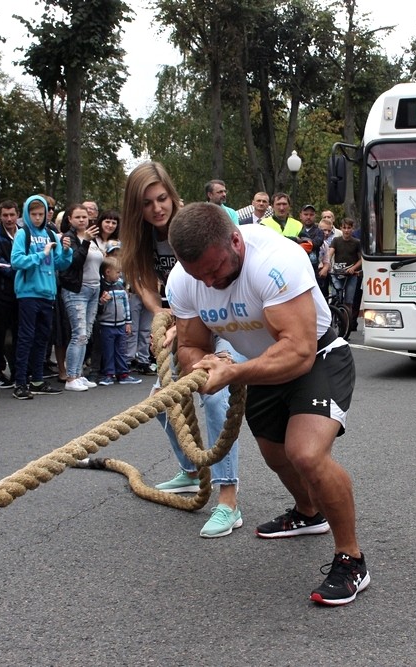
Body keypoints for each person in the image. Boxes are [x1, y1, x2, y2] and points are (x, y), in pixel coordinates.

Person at [166, 202, 368, 604]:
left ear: (235, 241)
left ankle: (352, 559)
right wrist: (204, 365)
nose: (210, 282)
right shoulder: (185, 280)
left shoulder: (277, 260)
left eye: (215, 269)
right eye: (199, 275)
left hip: (317, 357)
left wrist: (233, 372)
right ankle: (308, 513)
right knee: (275, 455)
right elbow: (190, 344)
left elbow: (299, 351)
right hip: (258, 366)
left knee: (306, 454)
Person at [119, 161, 243, 538]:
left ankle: (228, 499)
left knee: (215, 397)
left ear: (172, 196)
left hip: (220, 317)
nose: (157, 208)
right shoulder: (141, 237)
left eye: (162, 198)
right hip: (181, 318)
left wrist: (184, 322)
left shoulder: (192, 224)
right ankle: (190, 472)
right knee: (160, 403)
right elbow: (142, 279)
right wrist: (163, 315)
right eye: (147, 203)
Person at [10, 195, 73, 399]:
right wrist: (41, 254)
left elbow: (60, 263)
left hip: (48, 293)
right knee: (26, 337)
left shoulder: (50, 233)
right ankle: (20, 382)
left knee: (42, 339)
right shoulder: (23, 233)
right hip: (28, 293)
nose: (37, 218)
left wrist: (66, 252)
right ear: (27, 214)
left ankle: (37, 380)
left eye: (41, 214)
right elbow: (16, 261)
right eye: (33, 214)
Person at [59, 203, 104, 392]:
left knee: (86, 334)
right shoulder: (68, 238)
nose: (82, 220)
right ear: (70, 219)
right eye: (77, 217)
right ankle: (71, 377)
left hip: (94, 288)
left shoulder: (92, 238)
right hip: (77, 290)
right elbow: (74, 262)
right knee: (78, 333)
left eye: (84, 217)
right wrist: (85, 241)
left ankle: (78, 374)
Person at [0, 200, 21, 388]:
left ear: (17, 215)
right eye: (5, 215)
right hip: (1, 292)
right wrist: (18, 269)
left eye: (12, 215)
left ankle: (18, 370)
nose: (9, 219)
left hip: (21, 292)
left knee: (18, 334)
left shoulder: (23, 233)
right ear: (0, 216)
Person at [96, 257, 133, 385]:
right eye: (117, 272)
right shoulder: (101, 287)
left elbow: (126, 305)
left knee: (121, 350)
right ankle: (108, 374)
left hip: (121, 324)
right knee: (108, 351)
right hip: (107, 325)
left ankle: (123, 373)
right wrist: (102, 301)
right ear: (107, 272)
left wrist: (128, 322)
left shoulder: (120, 286)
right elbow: (98, 308)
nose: (119, 275)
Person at [328, 218, 363, 322]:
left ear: (352, 229)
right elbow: (330, 253)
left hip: (351, 275)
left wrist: (353, 268)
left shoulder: (356, 242)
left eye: (349, 228)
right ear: (341, 228)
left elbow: (361, 259)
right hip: (337, 274)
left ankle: (347, 323)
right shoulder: (336, 240)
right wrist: (326, 263)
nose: (346, 230)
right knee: (336, 296)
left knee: (349, 301)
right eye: (344, 228)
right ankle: (334, 319)